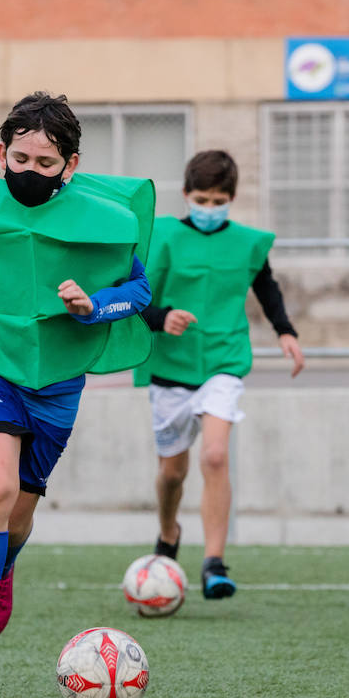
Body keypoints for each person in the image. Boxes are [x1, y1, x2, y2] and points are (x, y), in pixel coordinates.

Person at [0, 92, 153, 689]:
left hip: (58, 381)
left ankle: (4, 564)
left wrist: (95, 306)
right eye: (20, 159)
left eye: (46, 165)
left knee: (18, 512)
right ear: (2, 152)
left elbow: (140, 293)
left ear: (70, 165)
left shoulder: (103, 219)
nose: (30, 173)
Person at [136, 150, 304, 598]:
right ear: (186, 195)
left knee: (214, 455)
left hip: (224, 362)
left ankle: (214, 562)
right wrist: (161, 316)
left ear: (231, 198)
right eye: (201, 199)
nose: (209, 208)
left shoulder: (248, 243)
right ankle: (169, 532)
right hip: (170, 366)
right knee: (172, 473)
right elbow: (136, 297)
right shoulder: (163, 236)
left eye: (217, 200)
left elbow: (265, 287)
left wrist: (286, 332)